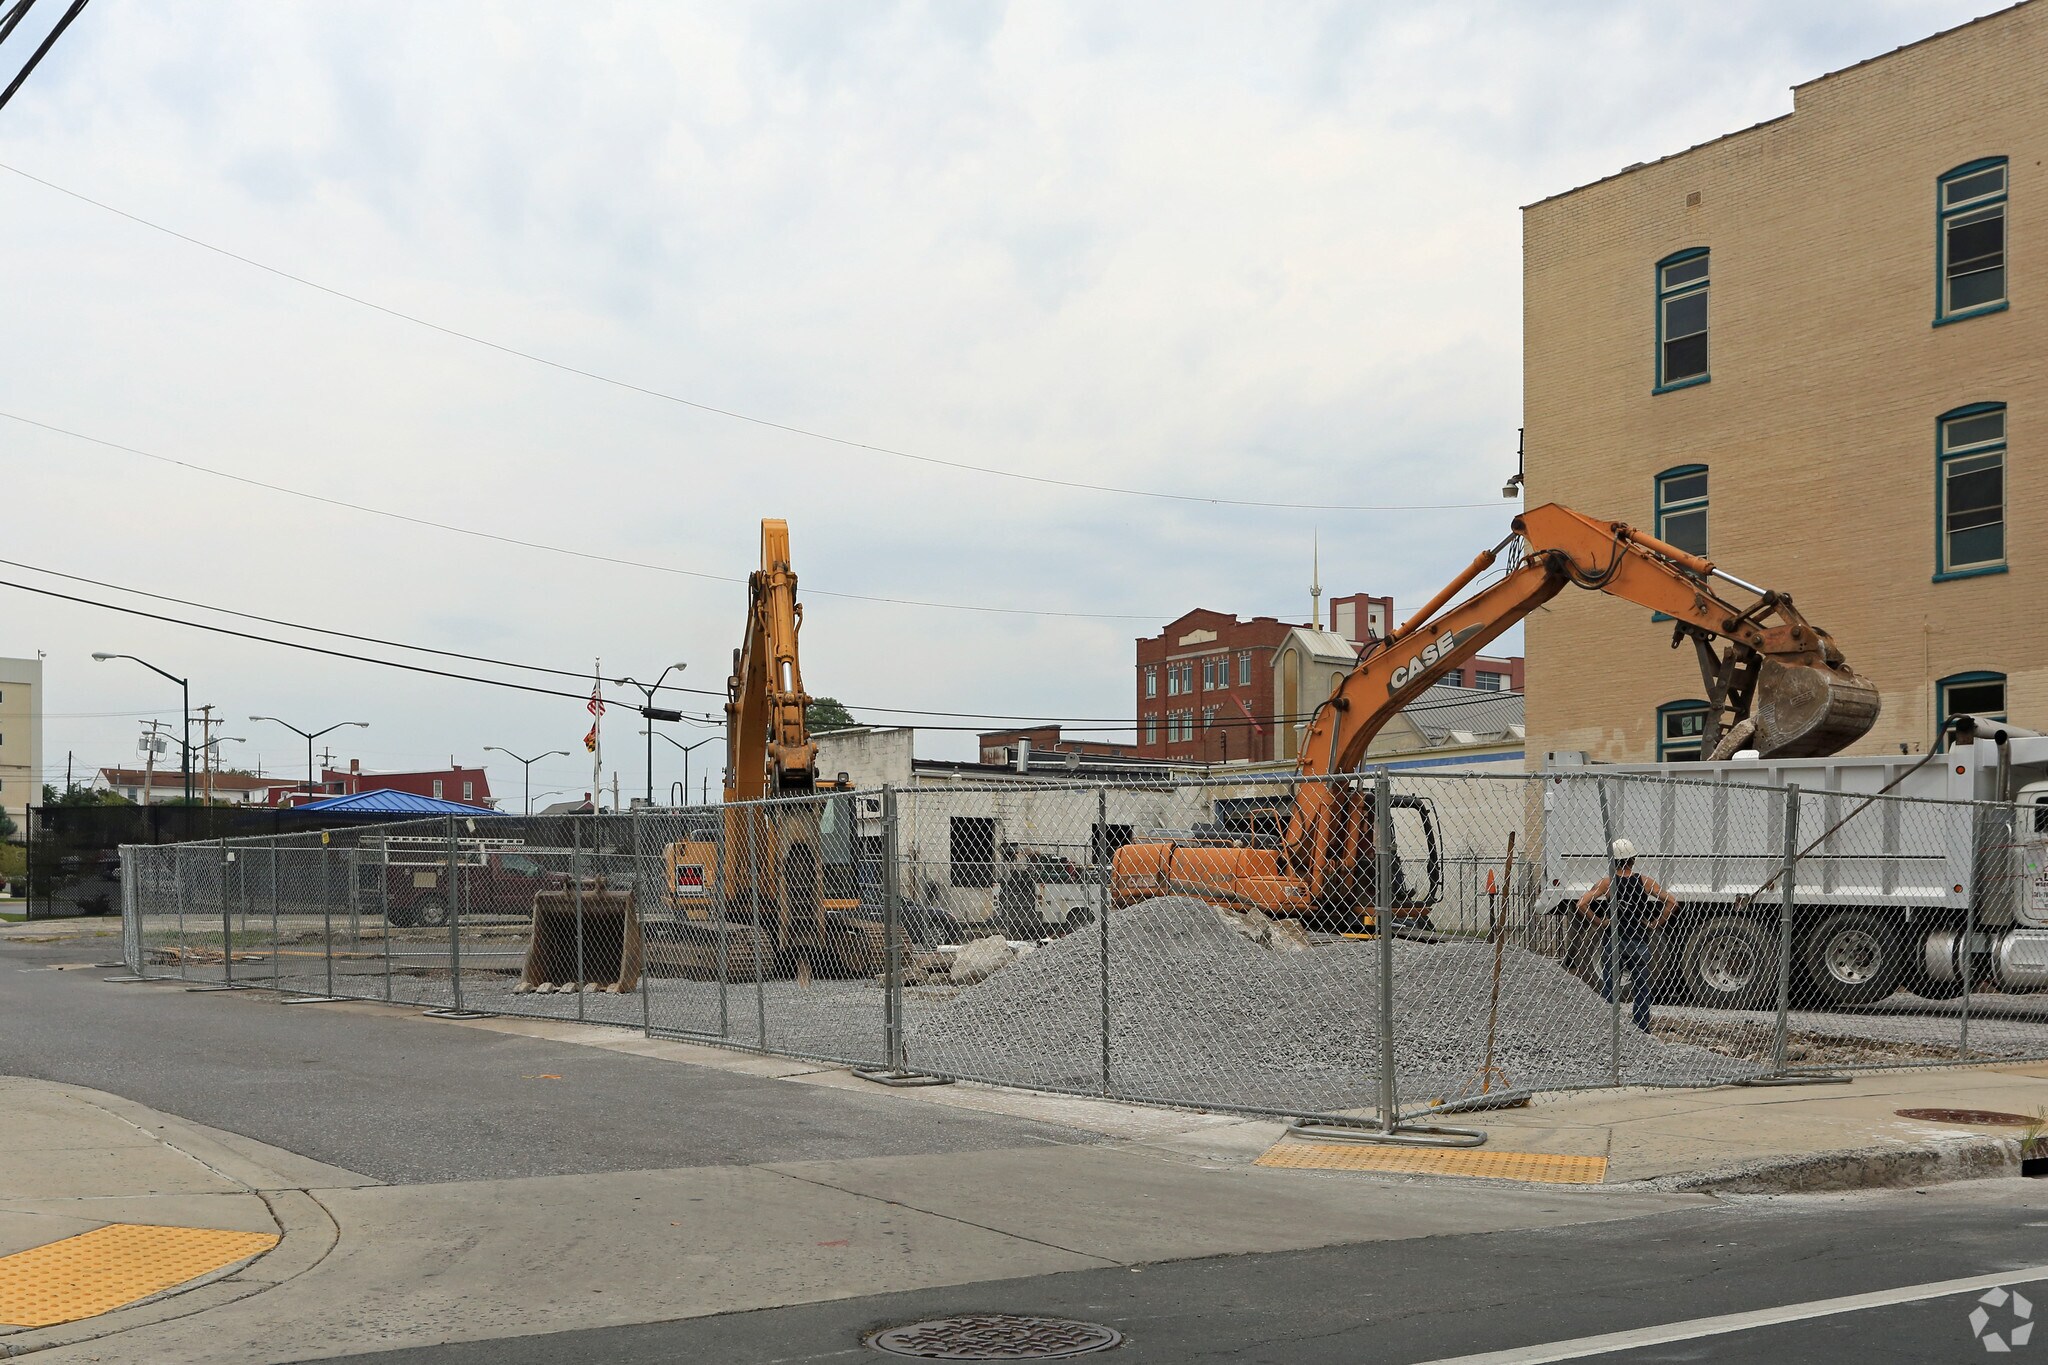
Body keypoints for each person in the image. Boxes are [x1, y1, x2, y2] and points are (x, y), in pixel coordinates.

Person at [1576, 838, 1677, 1031]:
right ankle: (1641, 1029)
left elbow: (1581, 904)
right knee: (1641, 989)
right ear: (1633, 859)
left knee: (1610, 988)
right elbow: (1672, 902)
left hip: (1613, 941)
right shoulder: (1645, 882)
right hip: (1638, 941)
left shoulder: (1607, 883)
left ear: (1612, 860)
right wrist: (1655, 923)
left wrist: (1600, 922)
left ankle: (1609, 1028)